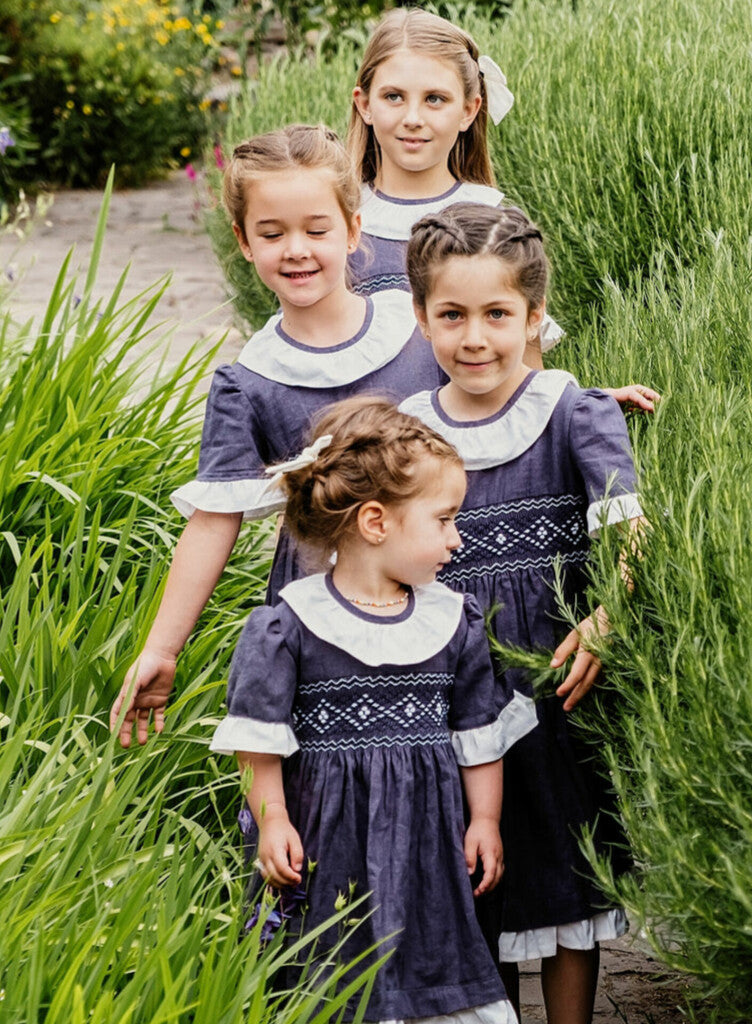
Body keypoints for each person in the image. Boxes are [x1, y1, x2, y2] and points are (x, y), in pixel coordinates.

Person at [110, 123, 443, 748]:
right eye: (272, 233)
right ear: (243, 241)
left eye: (317, 230)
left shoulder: (420, 323)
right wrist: (161, 647)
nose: (297, 249)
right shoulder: (250, 381)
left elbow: (498, 380)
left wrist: (571, 403)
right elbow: (214, 521)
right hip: (325, 612)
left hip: (447, 580)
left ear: (352, 228)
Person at [209, 396, 537, 1023]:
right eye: (443, 520)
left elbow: (477, 735)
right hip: (329, 843)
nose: (456, 537)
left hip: (428, 846)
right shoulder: (292, 625)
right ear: (376, 523)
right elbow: (261, 742)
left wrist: (486, 820)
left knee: (432, 960)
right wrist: (273, 821)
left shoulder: (452, 620)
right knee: (331, 972)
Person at [399, 203, 645, 1024]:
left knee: (570, 875)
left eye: (498, 315)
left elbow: (630, 534)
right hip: (454, 688)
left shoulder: (573, 410)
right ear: (420, 319)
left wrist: (607, 617)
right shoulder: (410, 433)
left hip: (559, 677)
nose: (475, 338)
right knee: (481, 875)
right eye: (452, 316)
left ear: (535, 318)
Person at [346, 7, 659, 412]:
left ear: (469, 110)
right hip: (362, 454)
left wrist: (584, 407)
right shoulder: (342, 221)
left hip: (472, 454)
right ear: (365, 104)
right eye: (393, 97)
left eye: (435, 99)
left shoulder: (492, 221)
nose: (412, 118)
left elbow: (525, 371)